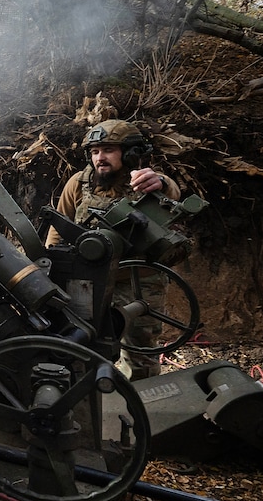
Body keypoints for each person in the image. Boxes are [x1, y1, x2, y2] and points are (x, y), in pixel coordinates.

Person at [45, 119, 181, 380]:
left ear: (130, 153)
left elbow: (171, 193)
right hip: (88, 282)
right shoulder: (78, 183)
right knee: (83, 347)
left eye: (108, 150)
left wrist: (161, 182)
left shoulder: (145, 182)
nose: (100, 158)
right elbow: (59, 227)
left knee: (141, 352)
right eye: (95, 152)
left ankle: (143, 406)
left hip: (138, 282)